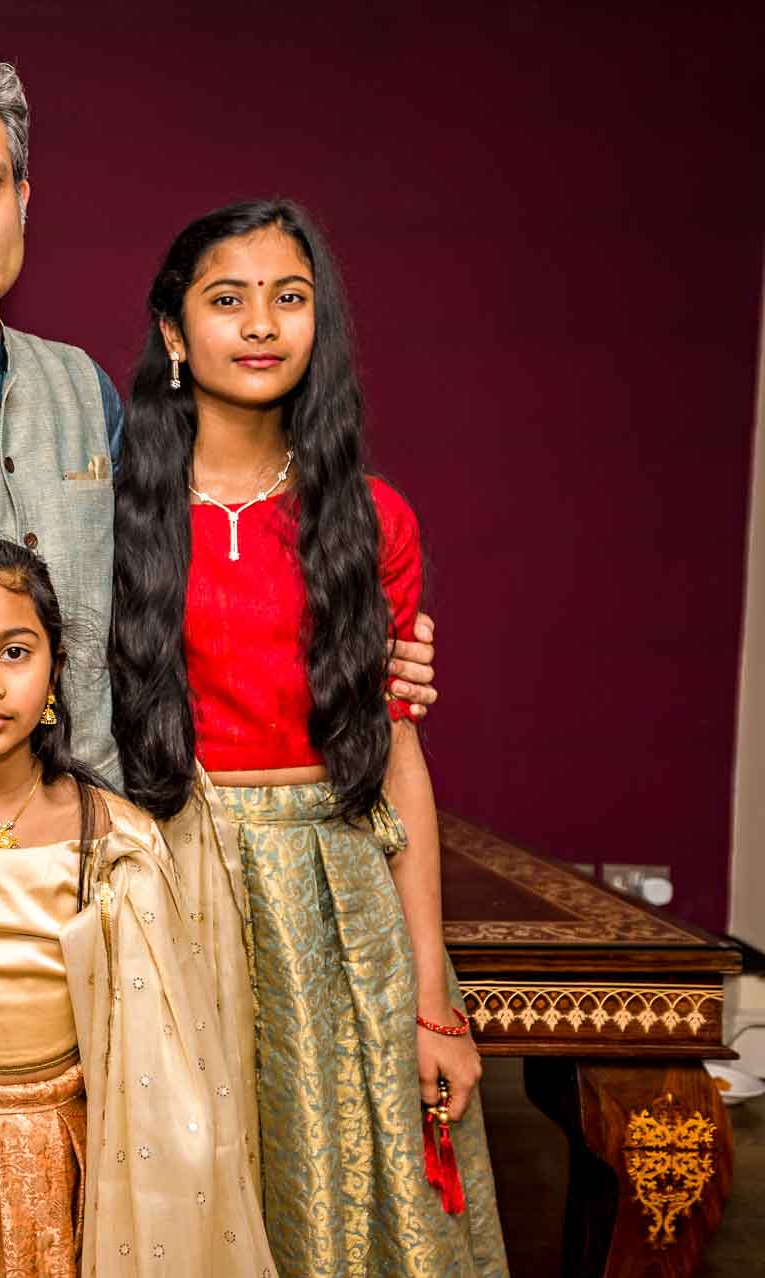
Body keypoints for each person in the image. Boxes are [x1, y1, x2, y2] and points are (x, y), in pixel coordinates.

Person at [0, 39, 440, 1273]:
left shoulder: (89, 401)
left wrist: (370, 646)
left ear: (24, 199)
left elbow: (181, 607)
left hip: (117, 960)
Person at [109, 199, 508, 1277]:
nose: (261, 324)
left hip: (339, 895)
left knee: (351, 1197)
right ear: (173, 334)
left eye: (291, 299)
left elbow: (399, 762)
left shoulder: (372, 517)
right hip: (175, 887)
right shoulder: (113, 513)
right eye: (226, 300)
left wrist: (434, 999)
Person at [0, 536, 274, 1277]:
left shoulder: (117, 838)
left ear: (56, 668)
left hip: (80, 1162)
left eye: (15, 652)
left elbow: (174, 1059)